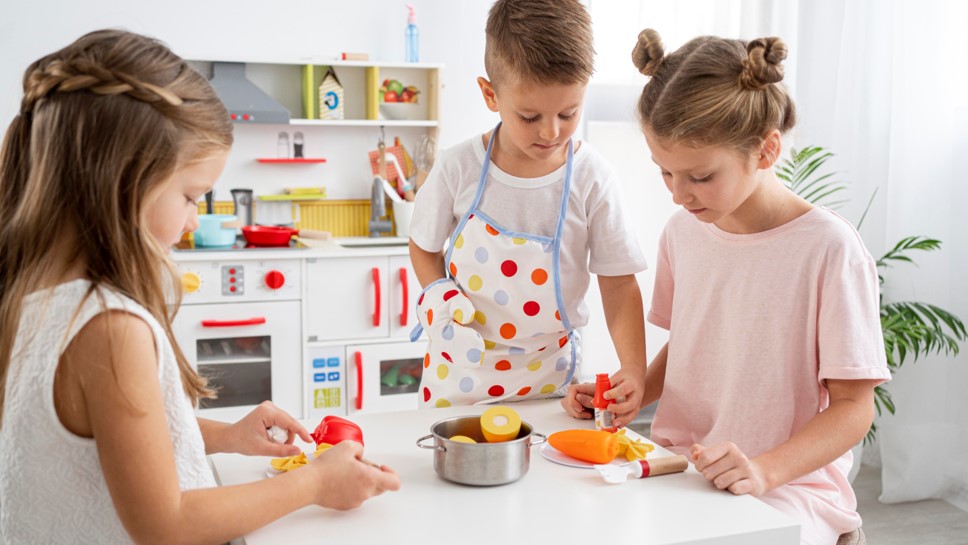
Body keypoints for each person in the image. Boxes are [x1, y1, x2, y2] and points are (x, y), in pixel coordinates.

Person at [0, 29, 399, 544]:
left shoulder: (29, 297)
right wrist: (315, 482)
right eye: (191, 196)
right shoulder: (109, 327)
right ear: (125, 182)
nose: (193, 220)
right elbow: (165, 524)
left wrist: (228, 437)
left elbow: (106, 446)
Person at [562, 28, 890, 545]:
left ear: (766, 150)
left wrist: (764, 470)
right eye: (665, 173)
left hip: (789, 486)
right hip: (680, 467)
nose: (678, 195)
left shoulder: (829, 250)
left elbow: (855, 408)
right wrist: (634, 393)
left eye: (699, 176)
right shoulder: (684, 232)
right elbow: (692, 343)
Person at [408, 0, 649, 410]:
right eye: (530, 116)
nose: (551, 131)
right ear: (490, 94)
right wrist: (437, 293)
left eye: (569, 112)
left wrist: (635, 369)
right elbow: (424, 246)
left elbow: (619, 283)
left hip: (554, 381)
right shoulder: (457, 167)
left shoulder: (592, 178)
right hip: (459, 373)